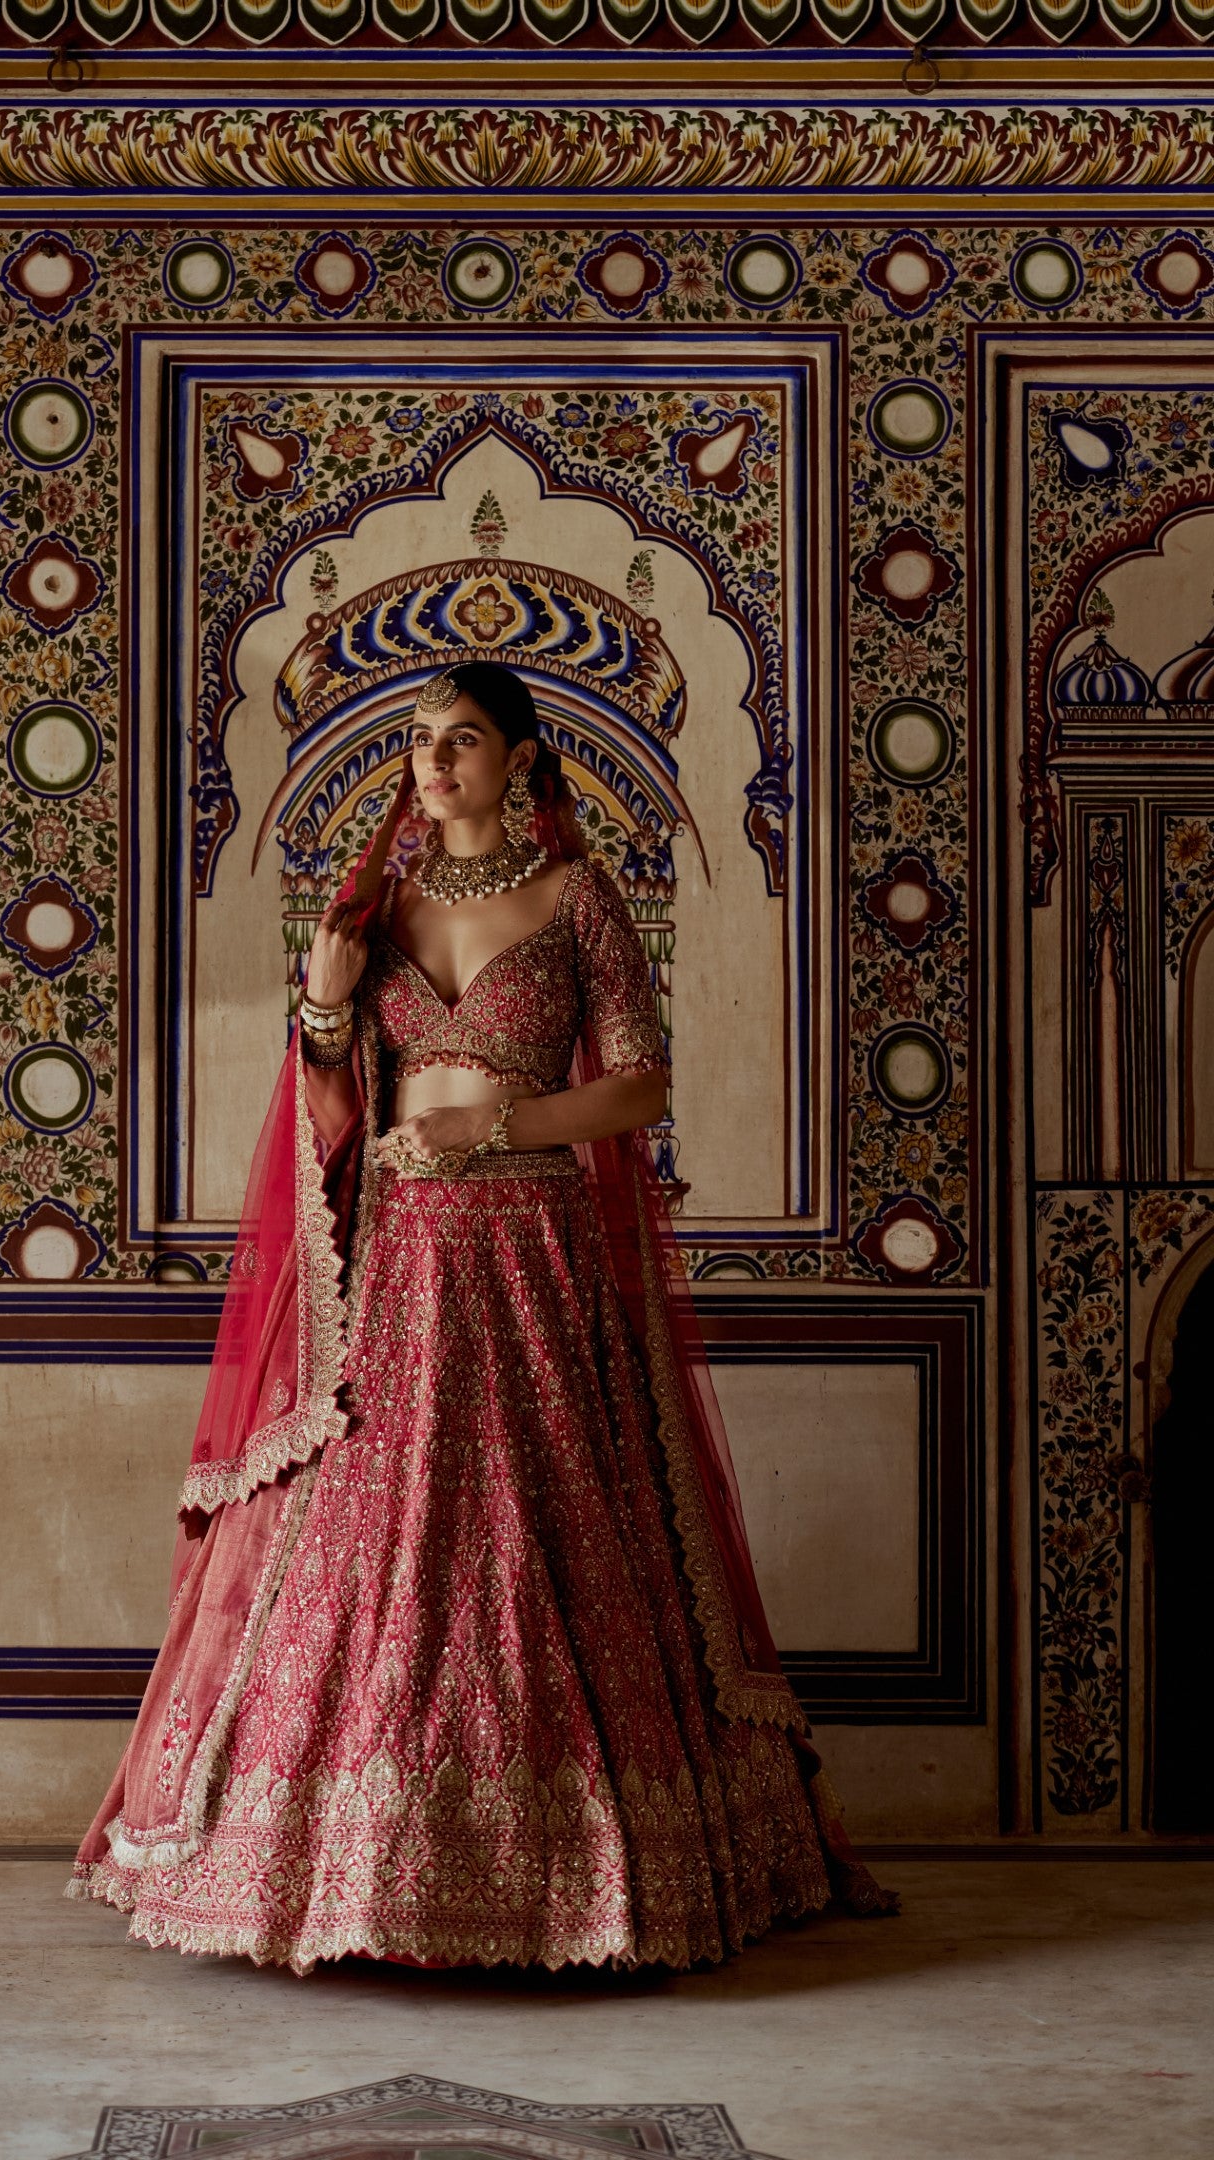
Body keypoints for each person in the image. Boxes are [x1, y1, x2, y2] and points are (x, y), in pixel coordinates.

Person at [68, 658, 895, 1970]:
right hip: (395, 1281)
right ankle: (348, 1882)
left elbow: (635, 1090)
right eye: (419, 740)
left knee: (551, 1531)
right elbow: (327, 1116)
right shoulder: (371, 912)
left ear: (517, 762)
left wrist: (493, 1123)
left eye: (464, 740)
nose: (436, 761)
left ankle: (584, 1880)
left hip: (534, 1265)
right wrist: (327, 1003)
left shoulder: (575, 901)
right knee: (371, 1551)